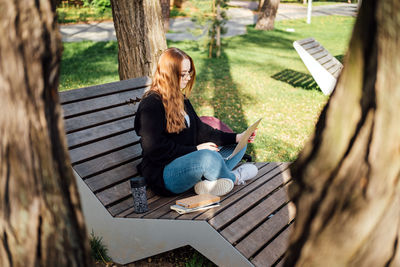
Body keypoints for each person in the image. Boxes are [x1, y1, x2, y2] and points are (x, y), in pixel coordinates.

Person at [134, 47, 258, 197]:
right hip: (164, 173)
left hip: (191, 164)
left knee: (240, 146)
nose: (188, 78)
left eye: (189, 72)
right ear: (168, 75)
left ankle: (209, 181)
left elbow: (202, 131)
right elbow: (155, 148)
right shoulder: (151, 104)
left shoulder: (180, 98)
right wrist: (196, 150)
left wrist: (237, 137)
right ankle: (235, 177)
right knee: (207, 157)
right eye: (183, 74)